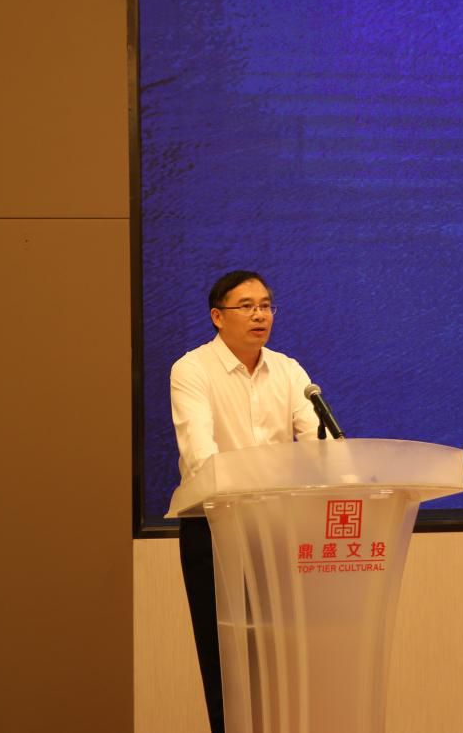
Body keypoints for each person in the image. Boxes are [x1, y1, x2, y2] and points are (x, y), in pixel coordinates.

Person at [169, 270, 320, 733]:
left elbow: (318, 444)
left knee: (278, 658)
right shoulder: (192, 370)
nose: (260, 315)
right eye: (247, 306)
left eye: (267, 305)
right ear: (218, 317)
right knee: (225, 662)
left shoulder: (289, 371)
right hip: (214, 531)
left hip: (277, 529)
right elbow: (201, 457)